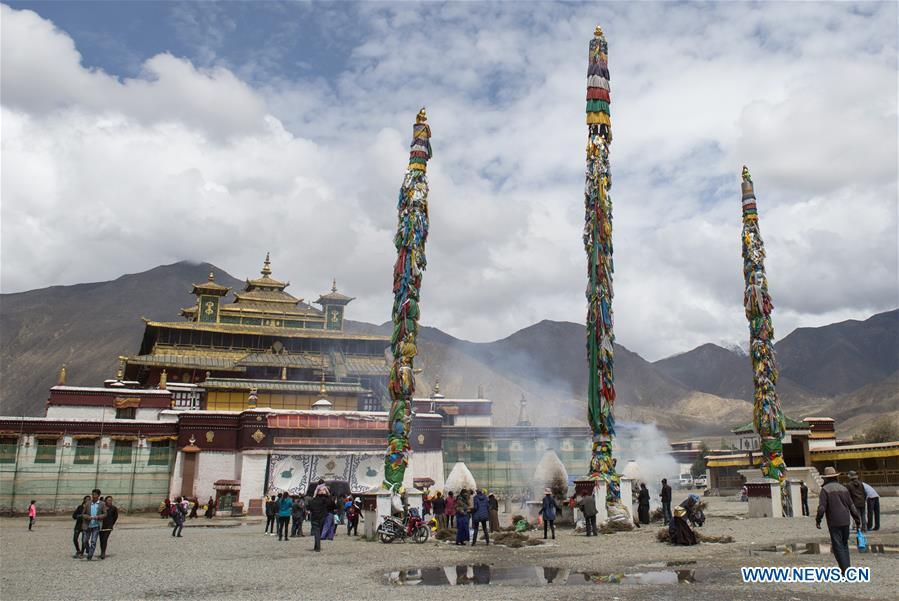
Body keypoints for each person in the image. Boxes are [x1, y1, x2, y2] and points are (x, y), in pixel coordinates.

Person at [816, 466, 861, 574]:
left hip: (834, 521)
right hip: (846, 521)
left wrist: (818, 520)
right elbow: (852, 506)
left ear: (826, 478)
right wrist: (857, 520)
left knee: (838, 546)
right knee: (845, 544)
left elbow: (822, 507)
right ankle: (847, 568)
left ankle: (844, 570)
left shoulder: (825, 490)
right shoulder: (844, 489)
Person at [82, 488, 106, 560]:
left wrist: (98, 517)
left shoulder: (102, 504)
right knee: (84, 540)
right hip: (88, 524)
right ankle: (88, 550)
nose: (93, 496)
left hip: (96, 525)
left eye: (95, 494)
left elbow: (105, 514)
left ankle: (90, 555)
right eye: (92, 494)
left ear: (98, 495)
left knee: (93, 541)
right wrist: (87, 517)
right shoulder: (88, 503)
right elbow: (83, 514)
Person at [307, 485, 330, 552]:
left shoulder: (312, 501)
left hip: (314, 517)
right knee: (319, 532)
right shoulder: (324, 501)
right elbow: (330, 500)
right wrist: (327, 492)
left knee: (317, 532)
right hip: (322, 518)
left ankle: (317, 547)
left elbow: (309, 508)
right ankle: (317, 547)